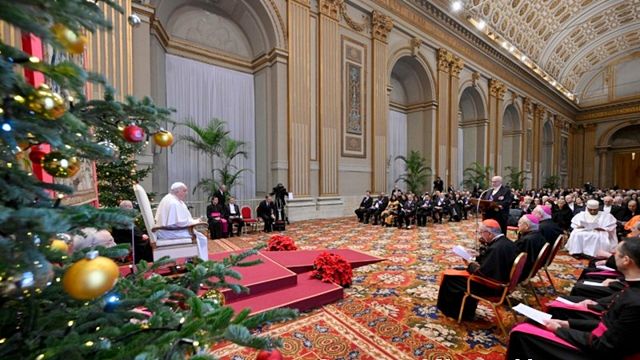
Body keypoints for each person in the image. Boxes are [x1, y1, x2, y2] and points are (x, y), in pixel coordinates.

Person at [507, 239, 640, 359]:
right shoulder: (633, 291)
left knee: (521, 332)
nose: (612, 255)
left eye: (615, 253)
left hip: (598, 352)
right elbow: (607, 324)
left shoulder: (634, 302)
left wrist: (560, 330)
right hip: (600, 340)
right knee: (534, 322)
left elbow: (604, 345)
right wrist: (568, 324)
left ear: (626, 260)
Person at [436, 219, 519, 321]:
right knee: (457, 269)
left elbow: (482, 273)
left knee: (451, 278)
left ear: (488, 233)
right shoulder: (505, 242)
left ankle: (455, 313)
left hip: (492, 287)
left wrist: (469, 263)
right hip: (502, 280)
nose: (480, 235)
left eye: (481, 232)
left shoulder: (496, 248)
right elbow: (492, 262)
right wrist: (479, 255)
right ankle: (467, 309)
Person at [155, 182, 208, 261]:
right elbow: (179, 223)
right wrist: (195, 222)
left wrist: (193, 221)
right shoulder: (173, 203)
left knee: (199, 235)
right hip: (169, 232)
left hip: (166, 230)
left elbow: (179, 220)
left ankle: (191, 260)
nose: (186, 193)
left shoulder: (169, 198)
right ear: (177, 191)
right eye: (184, 191)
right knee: (201, 238)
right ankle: (200, 262)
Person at [514, 214, 546, 281]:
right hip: (531, 269)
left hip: (520, 272)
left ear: (526, 226)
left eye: (520, 223)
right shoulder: (539, 235)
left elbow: (514, 257)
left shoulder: (526, 240)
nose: (518, 224)